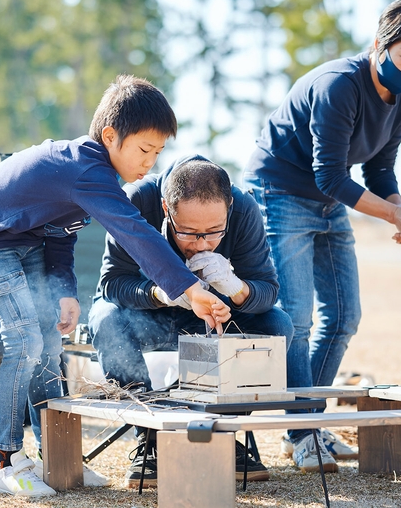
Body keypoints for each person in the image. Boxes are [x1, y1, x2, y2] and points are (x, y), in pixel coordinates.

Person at [0, 75, 230, 497]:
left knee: (49, 344)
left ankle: (57, 457)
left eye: (158, 153)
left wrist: (64, 289)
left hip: (31, 240)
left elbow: (61, 231)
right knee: (25, 342)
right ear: (110, 136)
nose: (150, 164)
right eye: (143, 149)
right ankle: (5, 459)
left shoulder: (91, 176)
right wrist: (189, 289)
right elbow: (134, 232)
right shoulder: (86, 169)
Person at [242, 0, 401, 472]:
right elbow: (331, 176)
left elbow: (378, 168)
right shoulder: (339, 85)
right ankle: (302, 431)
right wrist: (390, 216)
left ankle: (306, 425)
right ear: (380, 43)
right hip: (280, 190)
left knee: (344, 315)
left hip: (327, 198)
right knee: (294, 316)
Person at [88, 155, 299, 488]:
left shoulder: (244, 209)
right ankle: (151, 438)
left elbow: (268, 290)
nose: (201, 244)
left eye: (214, 232)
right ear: (166, 208)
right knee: (104, 318)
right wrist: (159, 293)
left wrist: (236, 289)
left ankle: (221, 431)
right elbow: (112, 284)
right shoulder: (137, 201)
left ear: (228, 206)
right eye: (188, 232)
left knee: (277, 326)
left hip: (208, 321)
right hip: (147, 315)